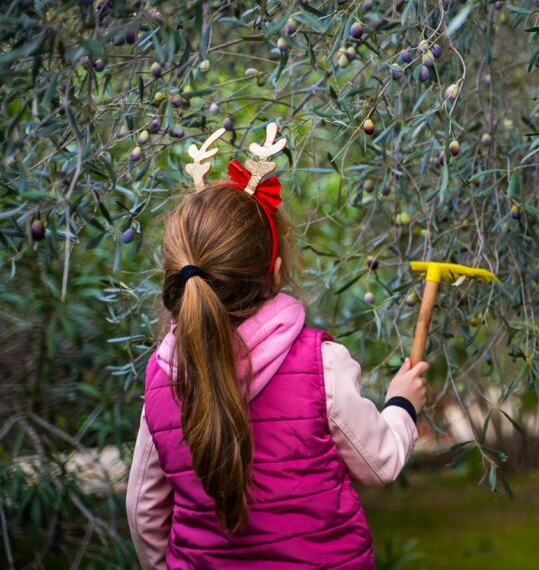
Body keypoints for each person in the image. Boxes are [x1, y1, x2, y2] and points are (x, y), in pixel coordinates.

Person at [126, 125, 428, 569]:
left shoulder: (163, 377)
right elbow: (379, 463)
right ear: (277, 270)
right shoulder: (321, 366)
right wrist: (402, 403)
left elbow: (144, 513)